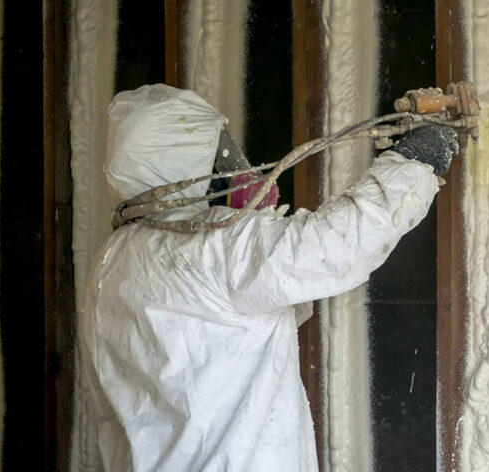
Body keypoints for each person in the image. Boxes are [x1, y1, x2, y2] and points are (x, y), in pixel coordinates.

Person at [77, 84, 457, 471]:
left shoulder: (113, 260)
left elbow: (238, 324)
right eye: (216, 157)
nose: (230, 170)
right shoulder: (214, 247)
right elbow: (335, 246)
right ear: (182, 161)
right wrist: (413, 161)